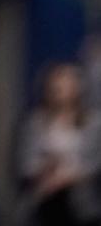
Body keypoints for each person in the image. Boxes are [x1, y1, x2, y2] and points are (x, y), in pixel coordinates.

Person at [19, 62, 101, 226]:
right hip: (44, 201)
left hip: (82, 204)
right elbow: (24, 163)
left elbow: (96, 162)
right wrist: (45, 168)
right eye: (57, 84)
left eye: (67, 83)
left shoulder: (94, 123)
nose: (61, 89)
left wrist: (71, 175)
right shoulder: (35, 123)